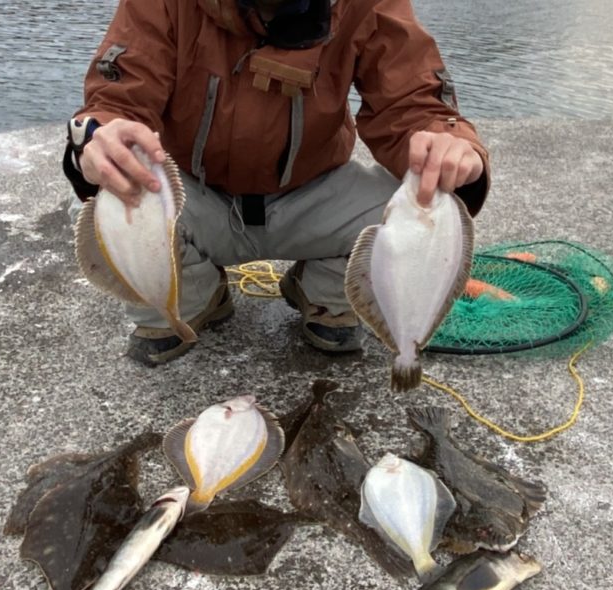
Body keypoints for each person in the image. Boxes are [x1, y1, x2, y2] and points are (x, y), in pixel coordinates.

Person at [63, 0, 489, 366]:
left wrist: (448, 142)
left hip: (313, 198)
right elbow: (119, 97)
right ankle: (194, 296)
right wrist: (99, 137)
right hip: (197, 199)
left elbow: (413, 102)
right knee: (115, 201)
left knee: (403, 208)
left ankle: (323, 292)